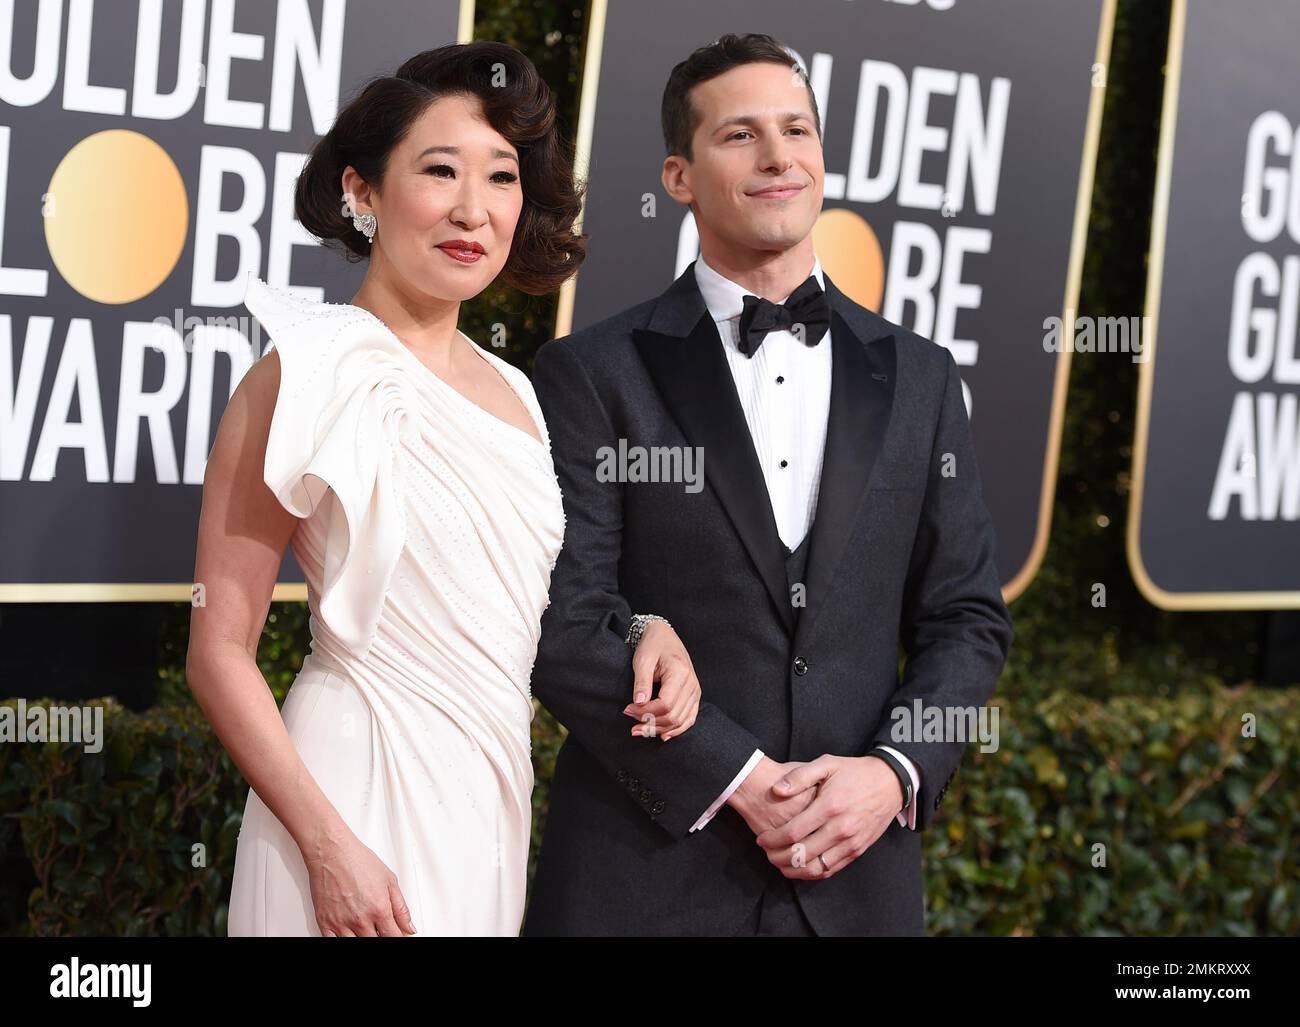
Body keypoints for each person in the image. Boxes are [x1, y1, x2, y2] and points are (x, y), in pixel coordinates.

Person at [523, 33, 1014, 936]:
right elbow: (566, 617)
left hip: (856, 880)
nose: (779, 155)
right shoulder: (593, 373)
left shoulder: (923, 378)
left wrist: (893, 771)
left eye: (797, 130)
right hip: (645, 879)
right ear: (679, 176)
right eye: (740, 135)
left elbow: (966, 617)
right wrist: (739, 776)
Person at [186, 42, 586, 936]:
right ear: (363, 192)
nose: (473, 210)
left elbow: (521, 616)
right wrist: (330, 847)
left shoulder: (517, 391)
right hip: (348, 797)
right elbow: (218, 652)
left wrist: (647, 631)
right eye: (439, 170)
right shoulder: (304, 370)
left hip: (487, 802)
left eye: (502, 178)